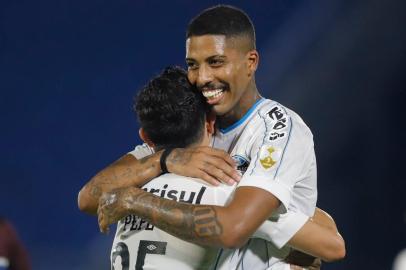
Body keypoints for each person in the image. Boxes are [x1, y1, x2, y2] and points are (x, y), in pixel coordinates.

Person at [78, 4, 345, 269]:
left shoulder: (277, 128)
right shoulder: (189, 121)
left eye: (215, 62)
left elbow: (234, 227)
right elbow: (89, 197)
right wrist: (164, 160)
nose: (202, 77)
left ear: (250, 62)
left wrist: (135, 200)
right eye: (193, 65)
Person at [102, 66, 343, 269]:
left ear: (145, 137)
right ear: (210, 122)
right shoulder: (223, 189)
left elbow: (87, 198)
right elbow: (332, 244)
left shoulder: (125, 194)